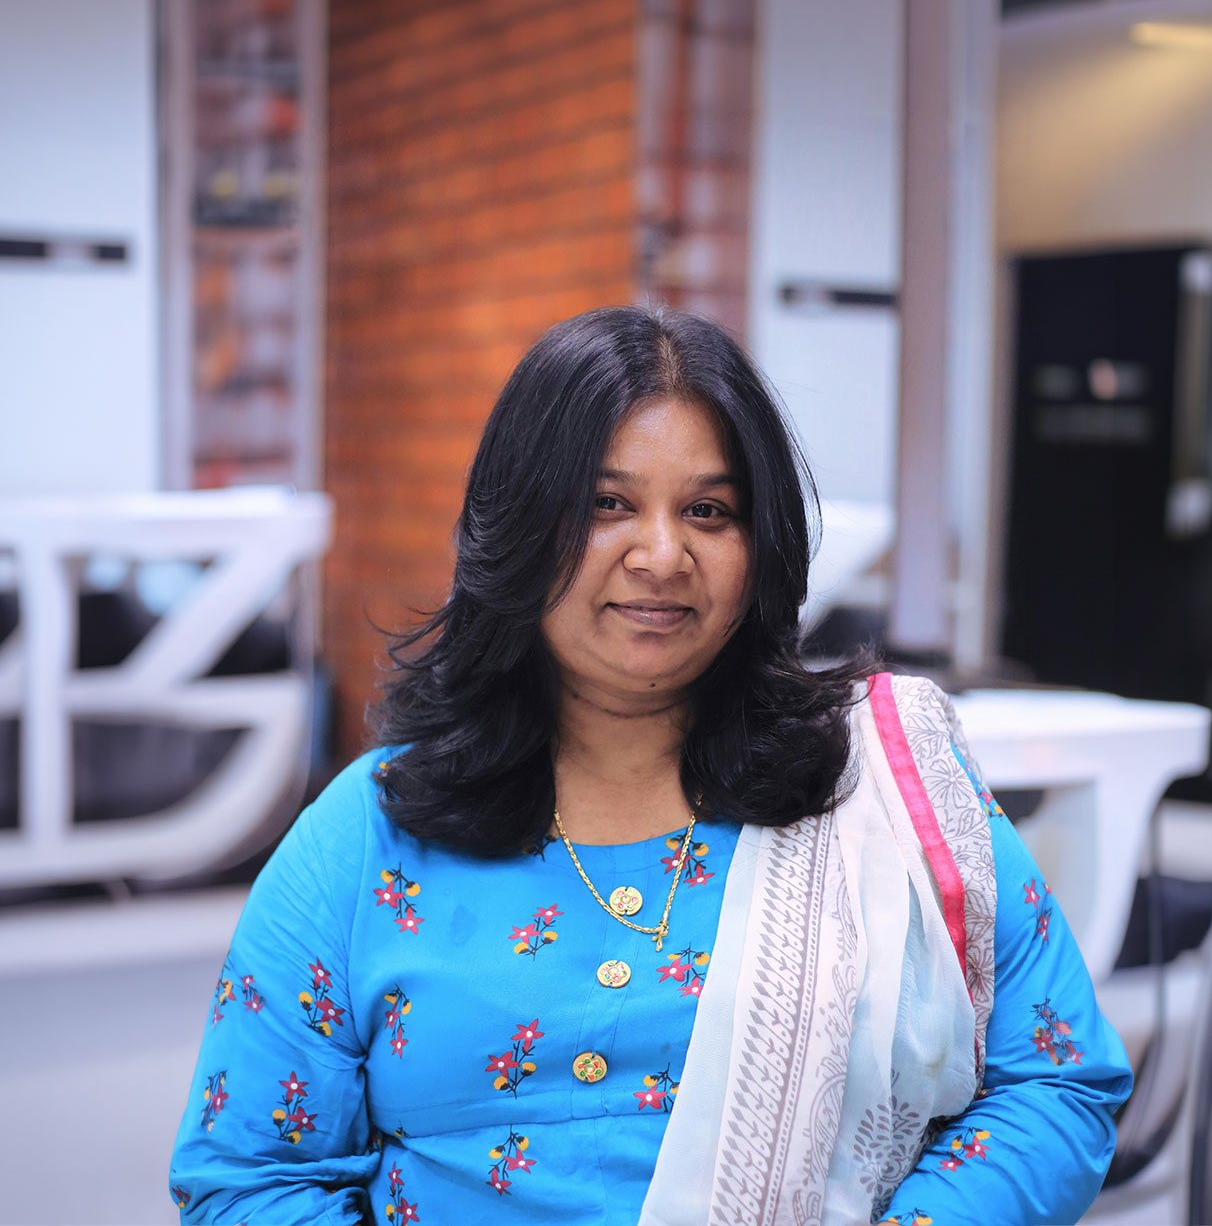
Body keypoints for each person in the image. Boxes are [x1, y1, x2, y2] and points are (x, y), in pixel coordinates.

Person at [169, 306, 1132, 1225]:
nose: (662, 554)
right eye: (607, 504)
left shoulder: (867, 788)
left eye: (709, 510)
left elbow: (1054, 1081)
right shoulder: (368, 837)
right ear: (516, 530)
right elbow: (250, 1175)